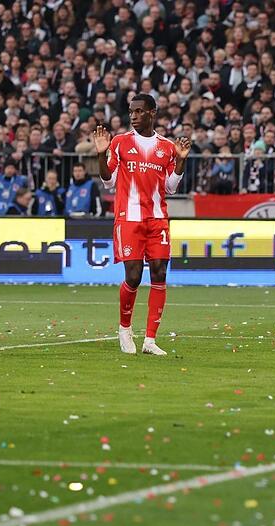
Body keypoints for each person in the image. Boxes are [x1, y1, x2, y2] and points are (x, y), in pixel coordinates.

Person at [94, 93, 191, 355]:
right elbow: (108, 180)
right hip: (129, 219)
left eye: (139, 112)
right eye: (131, 112)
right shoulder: (120, 142)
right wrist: (102, 154)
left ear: (151, 113)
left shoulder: (167, 147)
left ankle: (150, 340)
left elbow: (171, 186)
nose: (134, 116)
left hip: (157, 219)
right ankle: (124, 329)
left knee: (159, 273)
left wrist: (181, 161)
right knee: (134, 277)